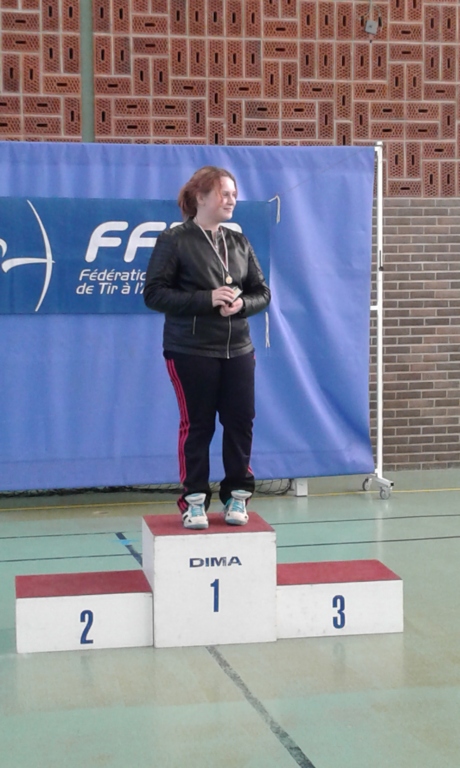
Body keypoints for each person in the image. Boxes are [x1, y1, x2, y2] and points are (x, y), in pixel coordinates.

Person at [144, 165, 270, 530]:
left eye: (234, 194)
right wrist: (207, 299)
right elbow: (154, 294)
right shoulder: (174, 240)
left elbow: (262, 292)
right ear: (200, 197)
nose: (231, 200)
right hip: (190, 349)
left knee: (240, 422)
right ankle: (194, 501)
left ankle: (237, 496)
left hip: (238, 349)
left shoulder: (239, 242)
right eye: (224, 194)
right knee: (198, 425)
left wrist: (241, 304)